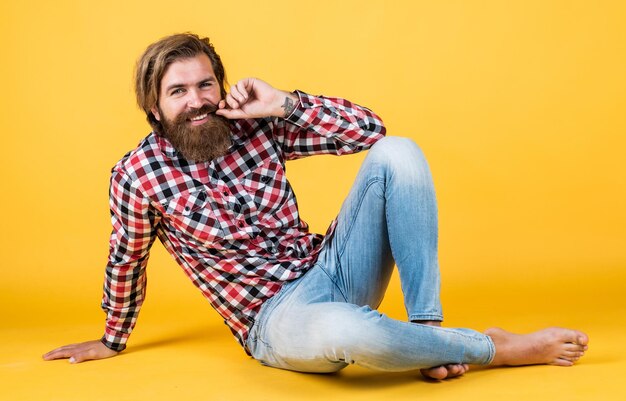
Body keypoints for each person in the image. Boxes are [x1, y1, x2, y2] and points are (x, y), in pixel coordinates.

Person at [43, 33, 588, 380]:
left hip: (331, 265)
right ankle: (484, 347)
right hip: (277, 320)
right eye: (178, 91)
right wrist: (113, 339)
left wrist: (284, 104)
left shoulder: (256, 126)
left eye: (205, 84)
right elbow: (127, 259)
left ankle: (430, 331)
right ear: (154, 107)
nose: (197, 101)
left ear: (220, 85)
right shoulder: (137, 176)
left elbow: (373, 132)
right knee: (348, 335)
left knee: (400, 153)